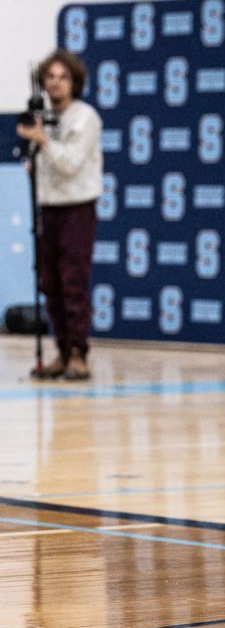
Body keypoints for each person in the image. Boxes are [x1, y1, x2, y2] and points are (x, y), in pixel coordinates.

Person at [16, 49, 103, 381]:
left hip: (76, 207)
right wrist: (33, 150)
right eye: (49, 77)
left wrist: (44, 141)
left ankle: (80, 353)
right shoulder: (43, 118)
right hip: (48, 207)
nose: (55, 83)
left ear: (74, 81)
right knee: (49, 281)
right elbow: (39, 167)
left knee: (72, 280)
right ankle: (62, 351)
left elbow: (70, 164)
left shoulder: (85, 117)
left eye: (62, 77)